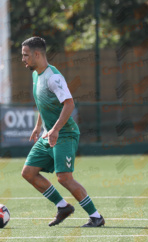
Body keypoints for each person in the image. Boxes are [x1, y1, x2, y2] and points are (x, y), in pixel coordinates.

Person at [21, 37, 104, 227]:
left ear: (37, 54)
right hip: (48, 134)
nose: (23, 59)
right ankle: (63, 207)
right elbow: (43, 104)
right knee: (28, 173)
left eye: (25, 55)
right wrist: (37, 126)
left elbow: (69, 104)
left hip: (64, 134)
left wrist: (56, 130)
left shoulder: (54, 77)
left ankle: (96, 217)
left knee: (64, 178)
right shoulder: (36, 75)